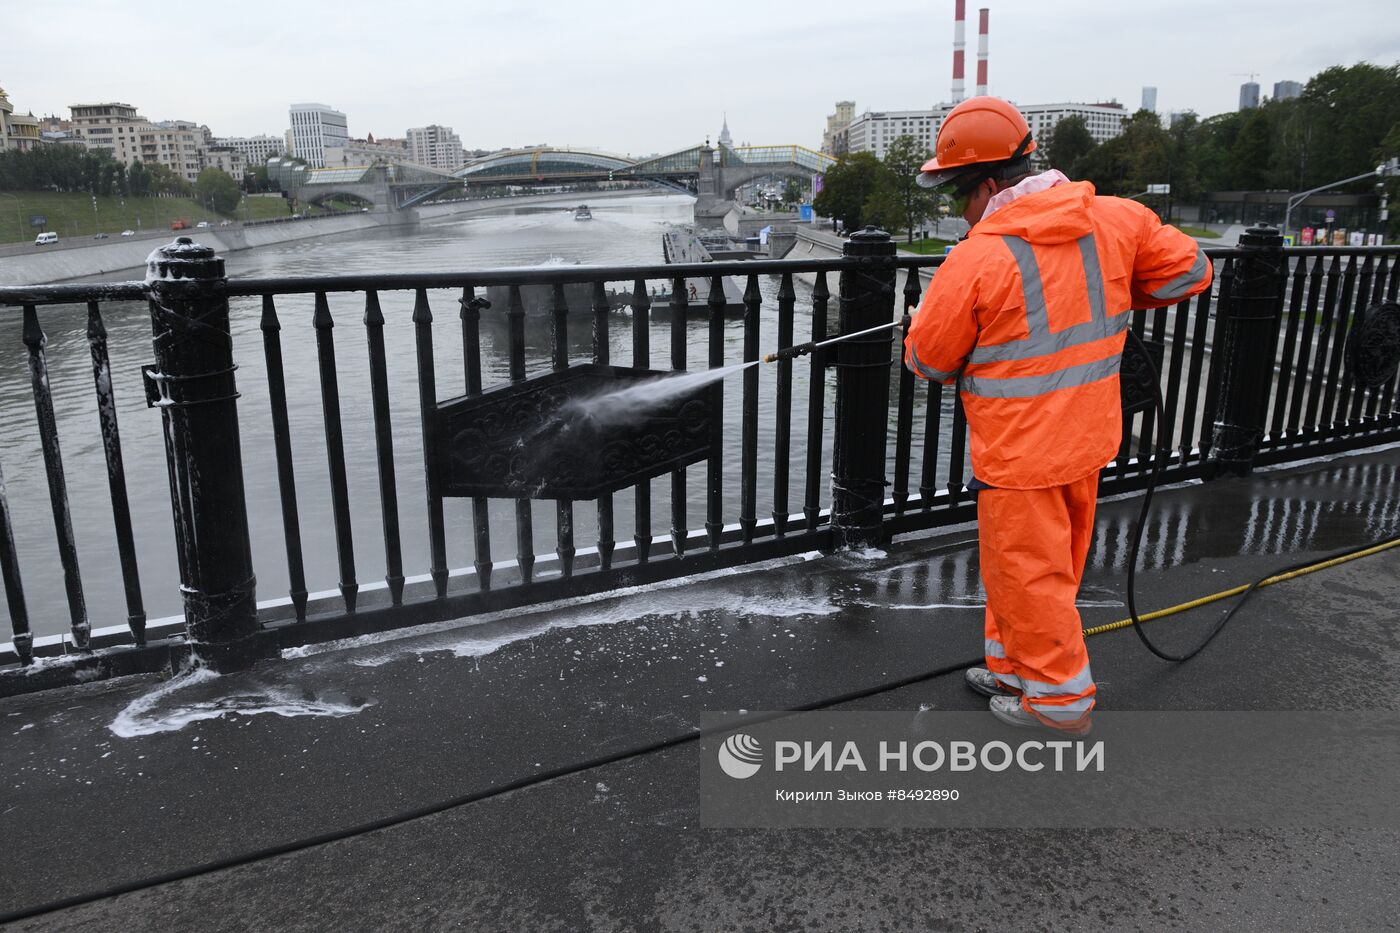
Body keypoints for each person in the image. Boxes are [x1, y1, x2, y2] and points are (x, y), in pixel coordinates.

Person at [902, 97, 1212, 734]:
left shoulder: (977, 260)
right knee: (1046, 570)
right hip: (1088, 437)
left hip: (1020, 453)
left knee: (1027, 574)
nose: (957, 211)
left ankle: (1059, 702)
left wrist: (918, 327)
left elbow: (929, 363)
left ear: (988, 186)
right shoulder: (1116, 219)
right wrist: (1125, 288)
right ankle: (1016, 667)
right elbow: (1192, 272)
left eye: (958, 195)